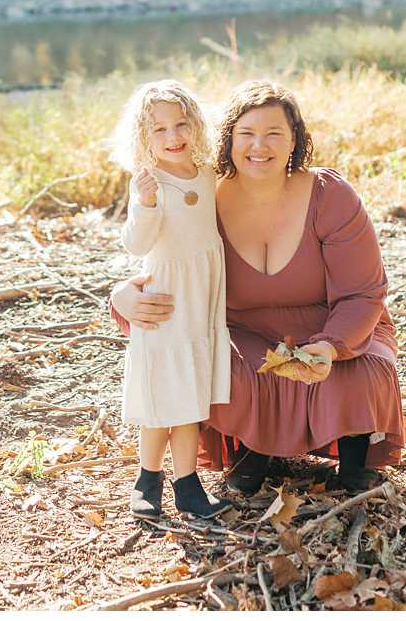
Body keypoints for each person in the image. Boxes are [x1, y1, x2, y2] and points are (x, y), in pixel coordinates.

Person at [110, 79, 405, 495]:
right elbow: (170, 261)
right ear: (228, 140)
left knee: (359, 369)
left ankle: (354, 463)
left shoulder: (329, 194)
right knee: (220, 366)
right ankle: (253, 454)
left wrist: (330, 345)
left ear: (294, 141)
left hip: (335, 324)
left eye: (274, 135)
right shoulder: (205, 193)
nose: (258, 146)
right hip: (244, 332)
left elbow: (363, 292)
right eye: (246, 134)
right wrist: (123, 293)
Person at [108, 80, 231, 520]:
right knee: (162, 395)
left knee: (190, 397)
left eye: (180, 125)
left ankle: (187, 484)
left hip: (203, 297)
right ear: (143, 138)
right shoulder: (149, 182)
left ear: (195, 125)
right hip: (166, 300)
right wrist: (145, 203)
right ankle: (147, 479)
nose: (173, 137)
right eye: (159, 130)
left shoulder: (206, 172)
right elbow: (136, 242)